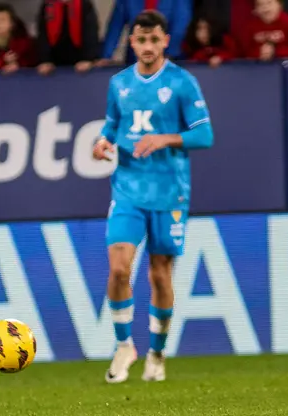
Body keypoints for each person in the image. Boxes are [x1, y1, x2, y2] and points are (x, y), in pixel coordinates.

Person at [92, 10, 214, 384]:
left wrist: (166, 138)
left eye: (154, 40)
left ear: (165, 41)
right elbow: (113, 123)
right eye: (141, 40)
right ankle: (124, 345)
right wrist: (102, 141)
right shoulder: (119, 83)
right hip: (128, 188)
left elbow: (204, 135)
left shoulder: (182, 82)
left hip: (169, 192)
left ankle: (157, 353)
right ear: (132, 42)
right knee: (118, 268)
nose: (147, 46)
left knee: (159, 275)